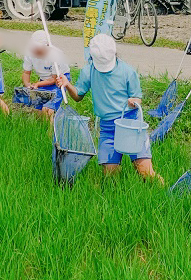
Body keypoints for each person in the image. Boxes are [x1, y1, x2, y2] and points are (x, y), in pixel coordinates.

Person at [61, 34, 160, 181]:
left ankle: (165, 192)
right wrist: (67, 84)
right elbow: (78, 96)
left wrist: (134, 101)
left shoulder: (127, 71)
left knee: (145, 171)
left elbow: (137, 97)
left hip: (130, 124)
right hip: (108, 127)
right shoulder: (88, 71)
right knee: (110, 175)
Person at [20, 30, 71, 119]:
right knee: (37, 109)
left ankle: (50, 132)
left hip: (59, 80)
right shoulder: (29, 53)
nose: (35, 53)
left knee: (48, 110)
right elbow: (26, 72)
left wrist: (37, 84)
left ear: (47, 46)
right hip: (43, 80)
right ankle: (42, 130)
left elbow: (54, 79)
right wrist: (27, 85)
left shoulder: (56, 55)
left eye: (38, 51)